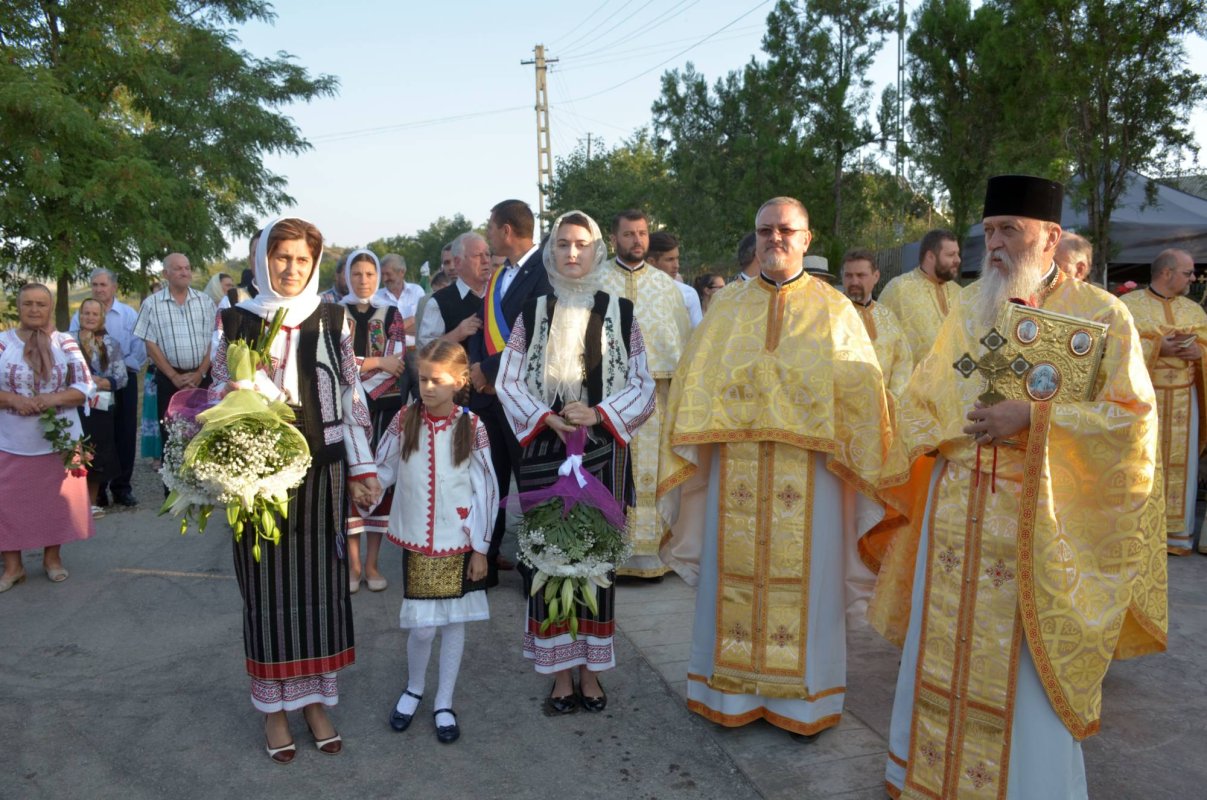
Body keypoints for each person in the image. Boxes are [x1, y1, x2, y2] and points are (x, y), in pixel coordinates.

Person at [872, 175, 1166, 799]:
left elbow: (1132, 422)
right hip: (957, 514)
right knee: (940, 650)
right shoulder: (974, 307)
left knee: (1022, 673)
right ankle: (933, 779)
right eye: (989, 231)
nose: (996, 244)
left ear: (1052, 237)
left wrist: (1034, 419)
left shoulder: (1102, 314)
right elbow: (933, 391)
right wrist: (930, 431)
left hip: (1039, 527)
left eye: (1011, 230)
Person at [655, 196, 897, 739]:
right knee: (730, 578)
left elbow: (863, 395)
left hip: (812, 477)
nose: (775, 239)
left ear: (807, 240)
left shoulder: (835, 310)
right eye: (765, 230)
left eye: (786, 230)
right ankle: (727, 692)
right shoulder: (726, 309)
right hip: (734, 474)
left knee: (809, 584)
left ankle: (804, 704)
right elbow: (694, 389)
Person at [211, 217, 381, 763]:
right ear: (263, 259)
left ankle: (314, 702)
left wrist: (362, 468)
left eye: (302, 260)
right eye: (281, 257)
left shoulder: (333, 319)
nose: (290, 268)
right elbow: (219, 394)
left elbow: (353, 395)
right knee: (267, 592)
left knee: (321, 588)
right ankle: (275, 711)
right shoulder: (236, 320)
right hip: (257, 479)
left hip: (324, 473)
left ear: (314, 265)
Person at [497, 210, 655, 713]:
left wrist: (601, 412)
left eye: (581, 244)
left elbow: (644, 386)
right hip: (545, 452)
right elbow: (508, 380)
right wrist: (545, 417)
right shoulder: (531, 310)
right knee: (547, 564)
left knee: (595, 565)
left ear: (596, 251)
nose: (572, 253)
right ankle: (559, 675)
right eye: (563, 243)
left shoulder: (622, 313)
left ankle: (591, 673)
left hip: (603, 453)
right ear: (551, 249)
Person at [376, 340, 496, 743]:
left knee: (453, 624)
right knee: (424, 629)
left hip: (458, 541)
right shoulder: (404, 419)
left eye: (437, 380)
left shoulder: (473, 426)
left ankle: (444, 701)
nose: (427, 387)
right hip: (417, 542)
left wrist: (481, 546)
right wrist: (364, 489)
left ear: (459, 381)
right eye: (422, 378)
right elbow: (383, 468)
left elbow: (488, 488)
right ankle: (414, 688)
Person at [600, 209, 690, 579]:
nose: (637, 240)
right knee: (612, 471)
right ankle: (610, 551)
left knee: (652, 472)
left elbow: (680, 341)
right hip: (610, 397)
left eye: (642, 233)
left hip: (656, 399)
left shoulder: (665, 286)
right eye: (628, 234)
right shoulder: (596, 280)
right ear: (614, 238)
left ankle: (652, 554)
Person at [472, 198, 550, 584]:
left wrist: (486, 369)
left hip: (523, 398)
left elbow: (536, 335)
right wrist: (476, 371)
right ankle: (483, 560)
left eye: (490, 228)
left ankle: (534, 568)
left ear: (506, 230)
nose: (487, 235)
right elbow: (485, 330)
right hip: (489, 399)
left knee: (530, 482)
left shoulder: (544, 271)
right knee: (489, 480)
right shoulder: (501, 273)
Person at [0, 284, 96, 591]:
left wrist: (50, 399)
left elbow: (85, 386)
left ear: (50, 307)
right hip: (10, 439)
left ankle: (52, 559)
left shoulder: (65, 342)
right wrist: (14, 400)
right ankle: (13, 567)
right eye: (28, 303)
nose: (34, 309)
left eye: (41, 304)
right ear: (19, 307)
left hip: (60, 439)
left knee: (57, 501)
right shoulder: (2, 342)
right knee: (7, 503)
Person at [1120, 248, 1206, 554]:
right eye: (1188, 272)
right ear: (1166, 273)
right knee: (1139, 462)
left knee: (1182, 467)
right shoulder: (1128, 306)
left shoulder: (1194, 311)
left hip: (1186, 399)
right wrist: (1158, 348)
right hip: (1144, 399)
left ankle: (1176, 535)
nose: (1193, 278)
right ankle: (1138, 534)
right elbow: (1116, 348)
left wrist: (1200, 353)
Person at [340, 248, 407, 592]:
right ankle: (353, 566)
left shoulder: (392, 312)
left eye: (369, 274)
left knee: (379, 478)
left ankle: (373, 564)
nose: (363, 280)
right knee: (353, 479)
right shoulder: (333, 313)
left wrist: (364, 373)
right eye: (356, 274)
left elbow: (397, 361)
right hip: (347, 410)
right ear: (346, 277)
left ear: (378, 276)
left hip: (383, 406)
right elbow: (338, 360)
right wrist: (376, 364)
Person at [68, 268, 146, 508]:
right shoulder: (78, 317)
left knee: (124, 433)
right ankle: (97, 489)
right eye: (95, 285)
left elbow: (139, 351)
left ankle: (122, 487)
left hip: (122, 381)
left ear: (113, 287)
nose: (99, 289)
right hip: (89, 391)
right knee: (96, 436)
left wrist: (114, 372)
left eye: (103, 285)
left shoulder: (128, 314)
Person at [133, 252, 215, 474]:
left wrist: (201, 371)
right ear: (165, 273)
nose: (184, 272)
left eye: (187, 267)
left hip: (201, 377)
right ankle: (174, 489)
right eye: (178, 268)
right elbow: (150, 343)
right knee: (171, 433)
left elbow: (214, 340)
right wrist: (173, 376)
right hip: (169, 379)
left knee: (203, 431)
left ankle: (203, 485)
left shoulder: (205, 301)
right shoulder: (151, 304)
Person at [75, 298, 128, 517]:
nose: (89, 317)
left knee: (96, 452)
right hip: (73, 406)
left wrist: (101, 381)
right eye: (86, 313)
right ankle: (74, 503)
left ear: (101, 317)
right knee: (75, 452)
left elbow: (121, 377)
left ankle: (92, 501)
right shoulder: (66, 341)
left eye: (94, 314)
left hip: (99, 407)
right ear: (80, 315)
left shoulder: (111, 344)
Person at [879, 229, 963, 368]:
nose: (958, 260)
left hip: (956, 385)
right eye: (950, 255)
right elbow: (881, 344)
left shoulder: (959, 293)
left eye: (957, 254)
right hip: (912, 386)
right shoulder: (898, 289)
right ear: (930, 256)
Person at [840, 249, 914, 400]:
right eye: (849, 275)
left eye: (861, 275)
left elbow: (903, 361)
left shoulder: (888, 316)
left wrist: (893, 397)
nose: (854, 282)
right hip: (843, 409)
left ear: (876, 276)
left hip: (883, 408)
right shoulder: (830, 313)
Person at [416, 232, 490, 350]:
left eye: (487, 254)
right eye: (477, 255)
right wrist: (456, 334)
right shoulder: (439, 302)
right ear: (458, 262)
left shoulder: (501, 293)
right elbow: (424, 350)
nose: (486, 260)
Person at [647, 231, 703, 327]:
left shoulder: (688, 293)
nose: (676, 265)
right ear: (651, 262)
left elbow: (697, 334)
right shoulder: (634, 292)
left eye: (677, 258)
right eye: (670, 260)